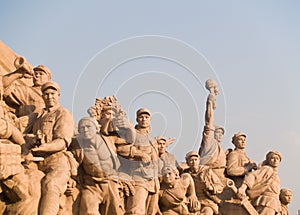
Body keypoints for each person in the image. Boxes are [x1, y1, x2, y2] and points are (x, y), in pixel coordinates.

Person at [27, 81, 75, 215]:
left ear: (58, 95)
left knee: (51, 184)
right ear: (42, 96)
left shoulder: (63, 113)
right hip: (37, 160)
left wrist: (44, 146)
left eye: (53, 94)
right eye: (46, 94)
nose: (50, 97)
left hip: (57, 160)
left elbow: (63, 141)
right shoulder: (38, 116)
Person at [76, 117, 124, 215]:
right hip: (91, 185)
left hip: (110, 183)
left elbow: (130, 140)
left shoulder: (110, 141)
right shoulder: (78, 146)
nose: (85, 130)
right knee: (88, 210)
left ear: (97, 128)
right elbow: (71, 161)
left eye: (88, 127)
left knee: (114, 212)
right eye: (82, 128)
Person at [117, 108, 160, 215]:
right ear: (137, 119)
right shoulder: (132, 134)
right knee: (136, 211)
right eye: (141, 117)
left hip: (153, 182)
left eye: (146, 117)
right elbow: (120, 149)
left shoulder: (152, 140)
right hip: (138, 177)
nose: (144, 119)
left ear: (150, 120)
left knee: (149, 212)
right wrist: (139, 154)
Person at [237, 150, 282, 215]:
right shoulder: (267, 169)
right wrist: (243, 188)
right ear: (268, 160)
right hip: (267, 201)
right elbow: (252, 175)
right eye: (272, 158)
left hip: (274, 203)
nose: (275, 160)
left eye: (277, 158)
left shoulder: (275, 174)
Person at [198, 79, 226, 179]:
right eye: (218, 132)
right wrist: (210, 101)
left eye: (222, 133)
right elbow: (209, 120)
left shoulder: (219, 148)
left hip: (221, 176)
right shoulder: (209, 141)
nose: (220, 135)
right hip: (210, 176)